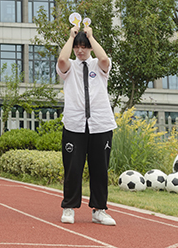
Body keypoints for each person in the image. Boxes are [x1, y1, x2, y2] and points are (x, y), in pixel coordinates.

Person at [57, 22, 117, 226]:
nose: (80, 50)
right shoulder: (69, 67)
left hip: (100, 124)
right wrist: (71, 37)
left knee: (100, 169)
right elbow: (62, 59)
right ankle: (69, 207)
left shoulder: (98, 66)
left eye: (84, 46)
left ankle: (99, 210)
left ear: (90, 47)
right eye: (77, 47)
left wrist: (91, 36)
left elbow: (104, 59)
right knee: (73, 169)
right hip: (74, 125)